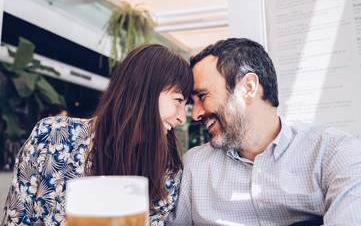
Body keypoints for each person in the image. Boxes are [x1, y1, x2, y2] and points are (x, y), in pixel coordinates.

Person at [167, 38, 361, 225]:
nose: (197, 113)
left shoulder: (333, 152)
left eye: (202, 96)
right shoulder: (194, 166)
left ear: (248, 88)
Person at [1, 44, 193, 226]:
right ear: (144, 91)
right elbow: (16, 218)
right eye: (178, 100)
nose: (182, 118)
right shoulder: (52, 136)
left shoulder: (166, 168)